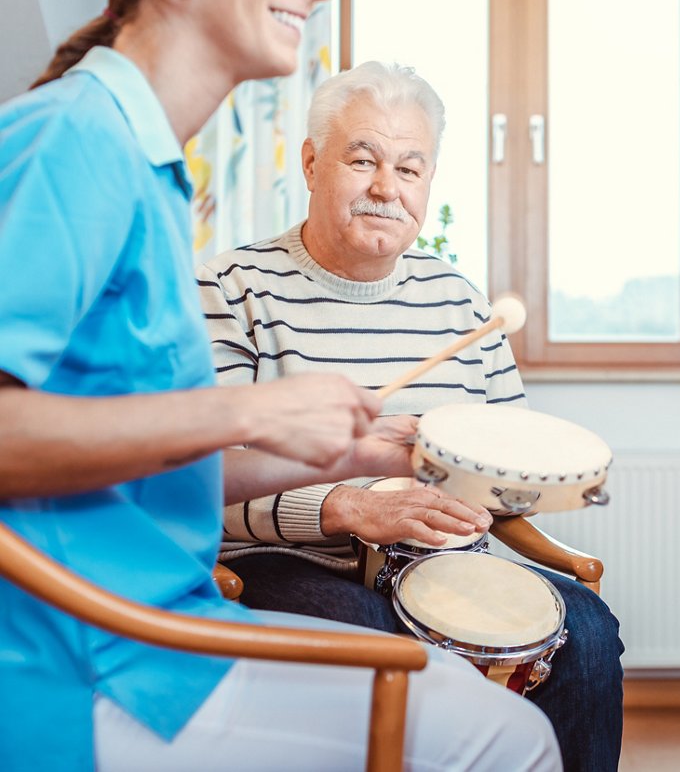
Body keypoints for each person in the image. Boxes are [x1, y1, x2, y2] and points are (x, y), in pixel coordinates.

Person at [0, 0, 558, 770]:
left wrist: (352, 452)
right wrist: (244, 407)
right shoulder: (77, 140)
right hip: (89, 666)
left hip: (163, 635)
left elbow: (140, 459)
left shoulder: (143, 160)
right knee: (498, 735)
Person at [197, 60, 625, 772]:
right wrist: (345, 508)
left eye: (409, 168)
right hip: (289, 561)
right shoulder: (232, 288)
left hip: (445, 562)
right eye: (361, 159)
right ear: (310, 163)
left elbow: (507, 459)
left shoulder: (457, 301)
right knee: (383, 645)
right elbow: (196, 480)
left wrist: (518, 492)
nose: (385, 188)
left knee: (586, 632)